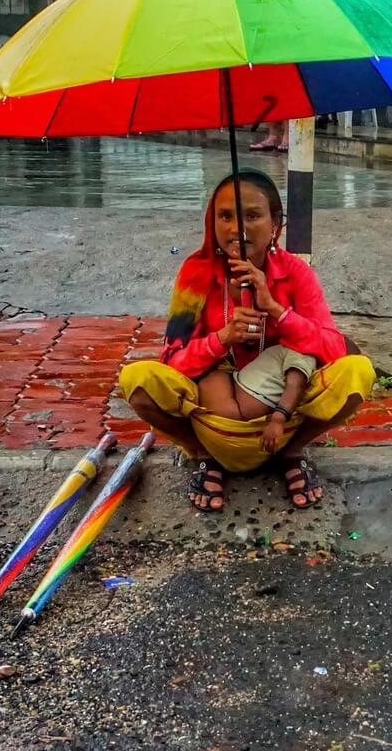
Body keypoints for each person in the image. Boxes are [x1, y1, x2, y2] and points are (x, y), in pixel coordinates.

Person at [118, 170, 375, 511]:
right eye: (226, 217)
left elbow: (332, 347)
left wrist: (276, 310)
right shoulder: (195, 274)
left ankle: (292, 451)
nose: (236, 229)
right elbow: (173, 362)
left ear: (275, 225)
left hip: (284, 410)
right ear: (213, 223)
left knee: (357, 371)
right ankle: (204, 454)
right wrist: (222, 339)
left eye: (252, 216)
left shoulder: (296, 273)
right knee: (137, 380)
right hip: (213, 412)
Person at [251, 0, 291, 153]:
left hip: (283, 35)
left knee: (285, 86)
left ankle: (285, 133)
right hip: (264, 33)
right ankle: (273, 134)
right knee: (267, 88)